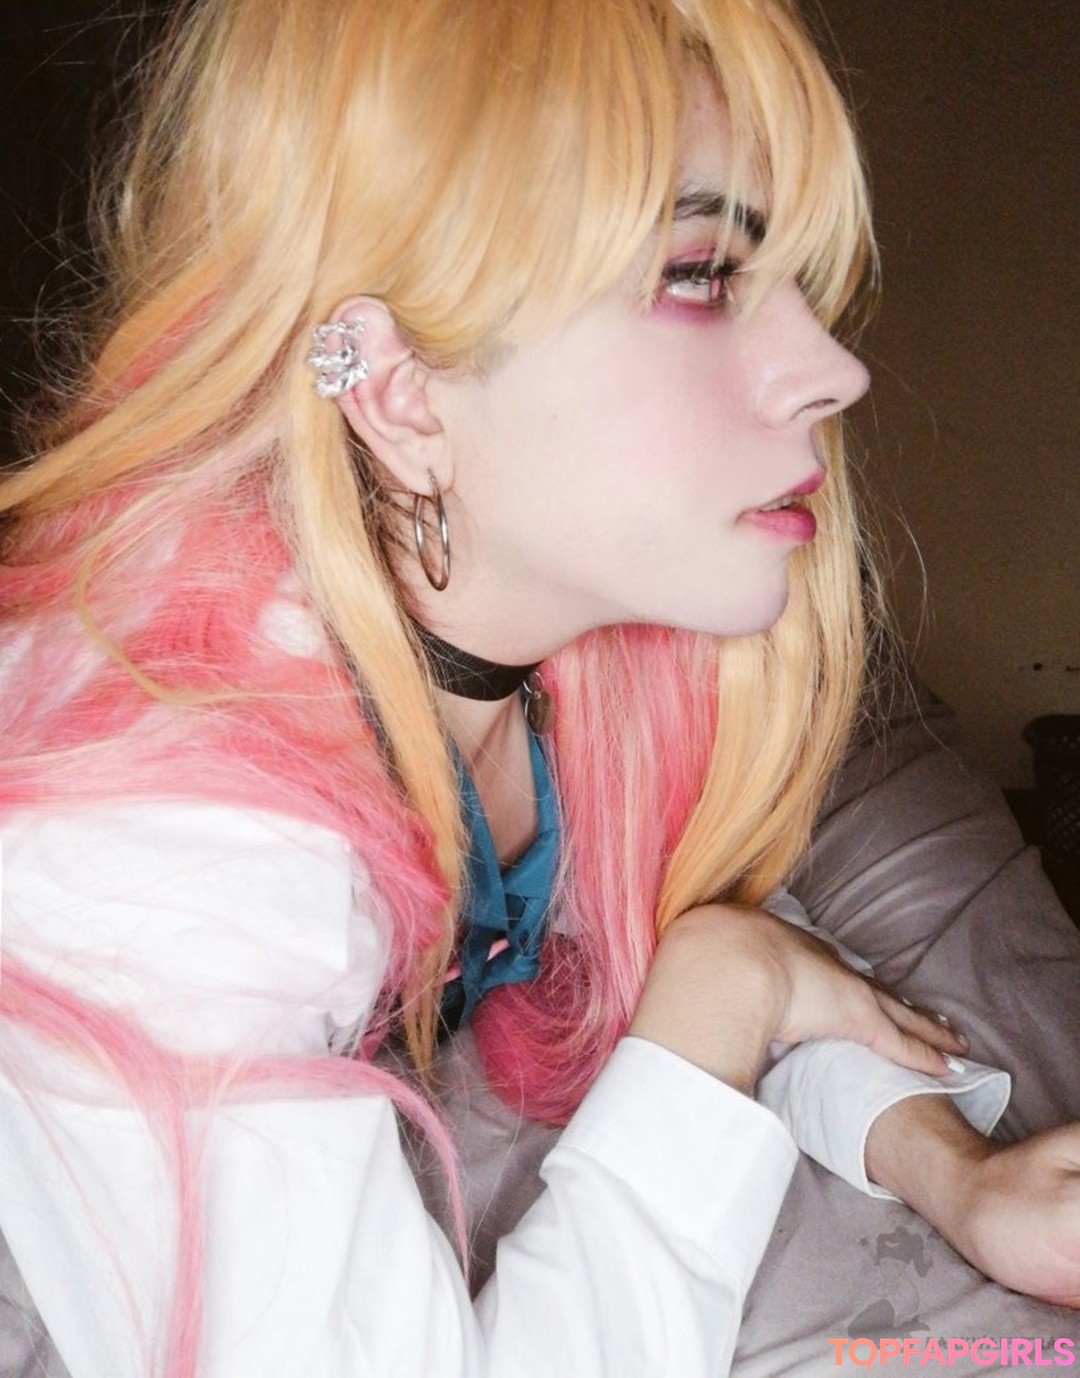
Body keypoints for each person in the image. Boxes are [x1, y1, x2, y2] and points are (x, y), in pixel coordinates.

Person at [0, 3, 1075, 1376]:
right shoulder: (151, 847)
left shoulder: (545, 645)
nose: (835, 371)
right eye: (702, 274)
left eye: (800, 283)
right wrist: (726, 985)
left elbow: (668, 949)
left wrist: (955, 1173)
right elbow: (712, 985)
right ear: (399, 389)